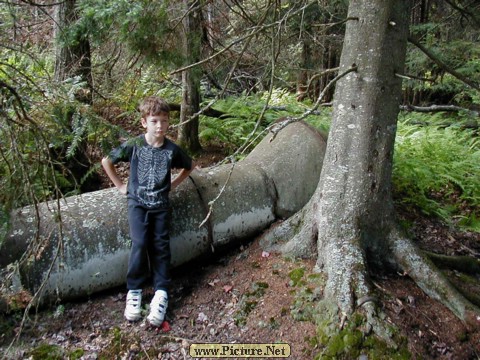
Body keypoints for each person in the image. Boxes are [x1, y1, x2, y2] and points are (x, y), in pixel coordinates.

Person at [101, 96, 194, 326]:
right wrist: (121, 186)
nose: (159, 126)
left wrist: (172, 185)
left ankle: (161, 292)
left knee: (161, 246)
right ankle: (134, 291)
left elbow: (189, 166)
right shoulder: (134, 145)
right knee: (140, 243)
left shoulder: (172, 150)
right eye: (154, 121)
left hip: (161, 206)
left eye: (164, 121)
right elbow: (107, 161)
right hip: (138, 204)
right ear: (144, 123)